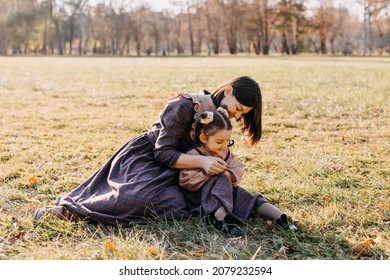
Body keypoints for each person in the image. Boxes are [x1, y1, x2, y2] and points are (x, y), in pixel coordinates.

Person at [33, 76, 295, 232]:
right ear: (228, 91)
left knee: (204, 194)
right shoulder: (184, 106)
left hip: (186, 169)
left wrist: (217, 166)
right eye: (236, 107)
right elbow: (163, 153)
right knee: (137, 198)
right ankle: (72, 212)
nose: (235, 115)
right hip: (150, 160)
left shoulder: (220, 121)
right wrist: (203, 161)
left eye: (241, 115)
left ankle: (275, 217)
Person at [179, 108, 297, 238]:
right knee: (220, 180)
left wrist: (227, 174)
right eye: (219, 142)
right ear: (203, 138)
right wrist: (210, 174)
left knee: (245, 195)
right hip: (202, 198)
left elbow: (237, 167)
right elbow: (186, 181)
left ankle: (281, 217)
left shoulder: (224, 152)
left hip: (226, 191)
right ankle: (222, 220)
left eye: (227, 141)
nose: (224, 146)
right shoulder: (194, 155)